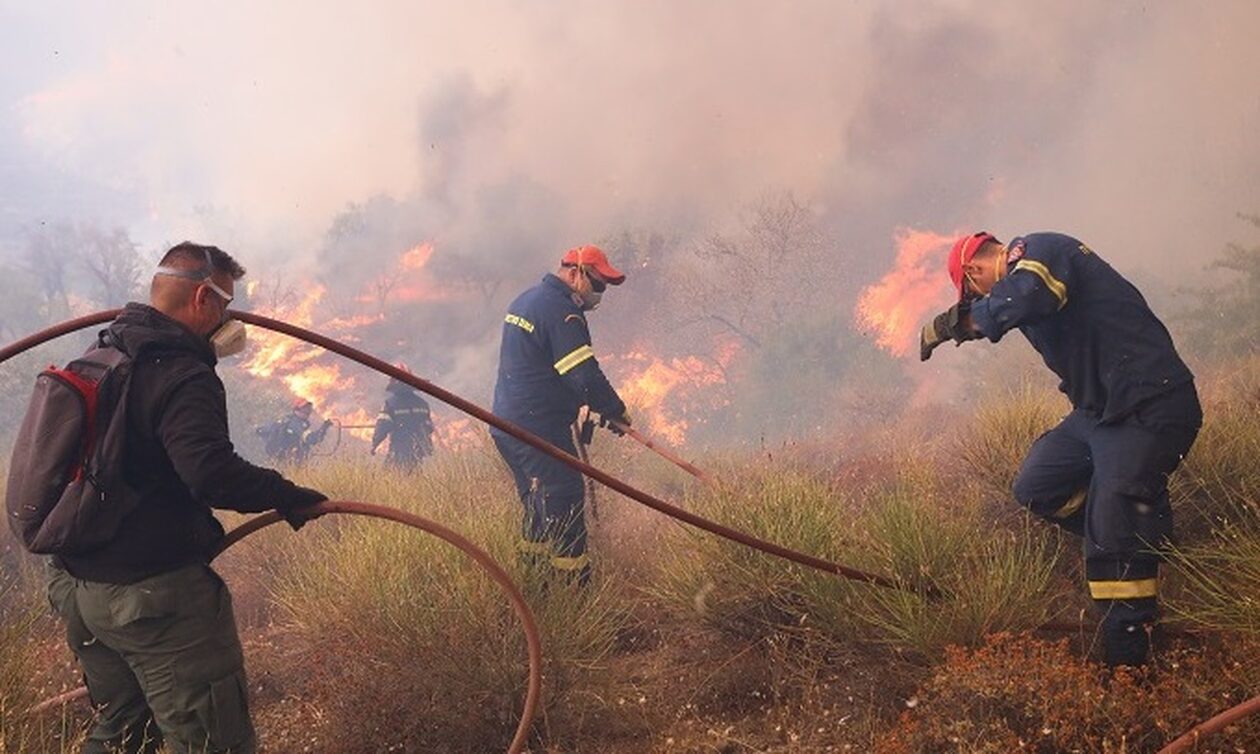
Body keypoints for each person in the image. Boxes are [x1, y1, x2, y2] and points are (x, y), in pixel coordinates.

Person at [46, 242, 327, 753]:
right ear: (202, 298)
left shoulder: (102, 353)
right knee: (211, 742)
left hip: (79, 588)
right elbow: (210, 472)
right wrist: (285, 494)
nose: (229, 318)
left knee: (122, 734)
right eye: (226, 305)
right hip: (152, 601)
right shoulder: (183, 373)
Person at [920, 231, 1202, 667]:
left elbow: (1027, 295)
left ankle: (1133, 668)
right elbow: (1008, 307)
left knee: (1111, 542)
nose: (978, 301)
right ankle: (1141, 531)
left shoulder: (1040, 252)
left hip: (1149, 406)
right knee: (1038, 485)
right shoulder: (1018, 286)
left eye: (972, 293)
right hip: (1099, 414)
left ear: (975, 271)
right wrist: (963, 324)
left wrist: (952, 324)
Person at [490, 245, 632, 584]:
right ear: (574, 273)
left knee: (539, 501)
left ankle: (533, 584)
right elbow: (582, 373)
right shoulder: (562, 312)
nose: (600, 294)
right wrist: (615, 410)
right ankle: (572, 592)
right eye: (598, 285)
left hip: (507, 424)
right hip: (536, 428)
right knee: (565, 496)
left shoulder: (526, 300)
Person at [371, 376, 436, 469]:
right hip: (419, 448)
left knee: (389, 475)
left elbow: (382, 426)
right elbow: (429, 427)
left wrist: (375, 444)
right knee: (415, 474)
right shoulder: (423, 403)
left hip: (400, 447)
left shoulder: (390, 403)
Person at [256, 399, 332, 465]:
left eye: (308, 409)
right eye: (304, 408)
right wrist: (324, 427)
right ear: (296, 410)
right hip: (290, 464)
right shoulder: (296, 424)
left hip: (282, 462)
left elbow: (262, 430)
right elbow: (311, 439)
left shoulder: (287, 420)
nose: (307, 411)